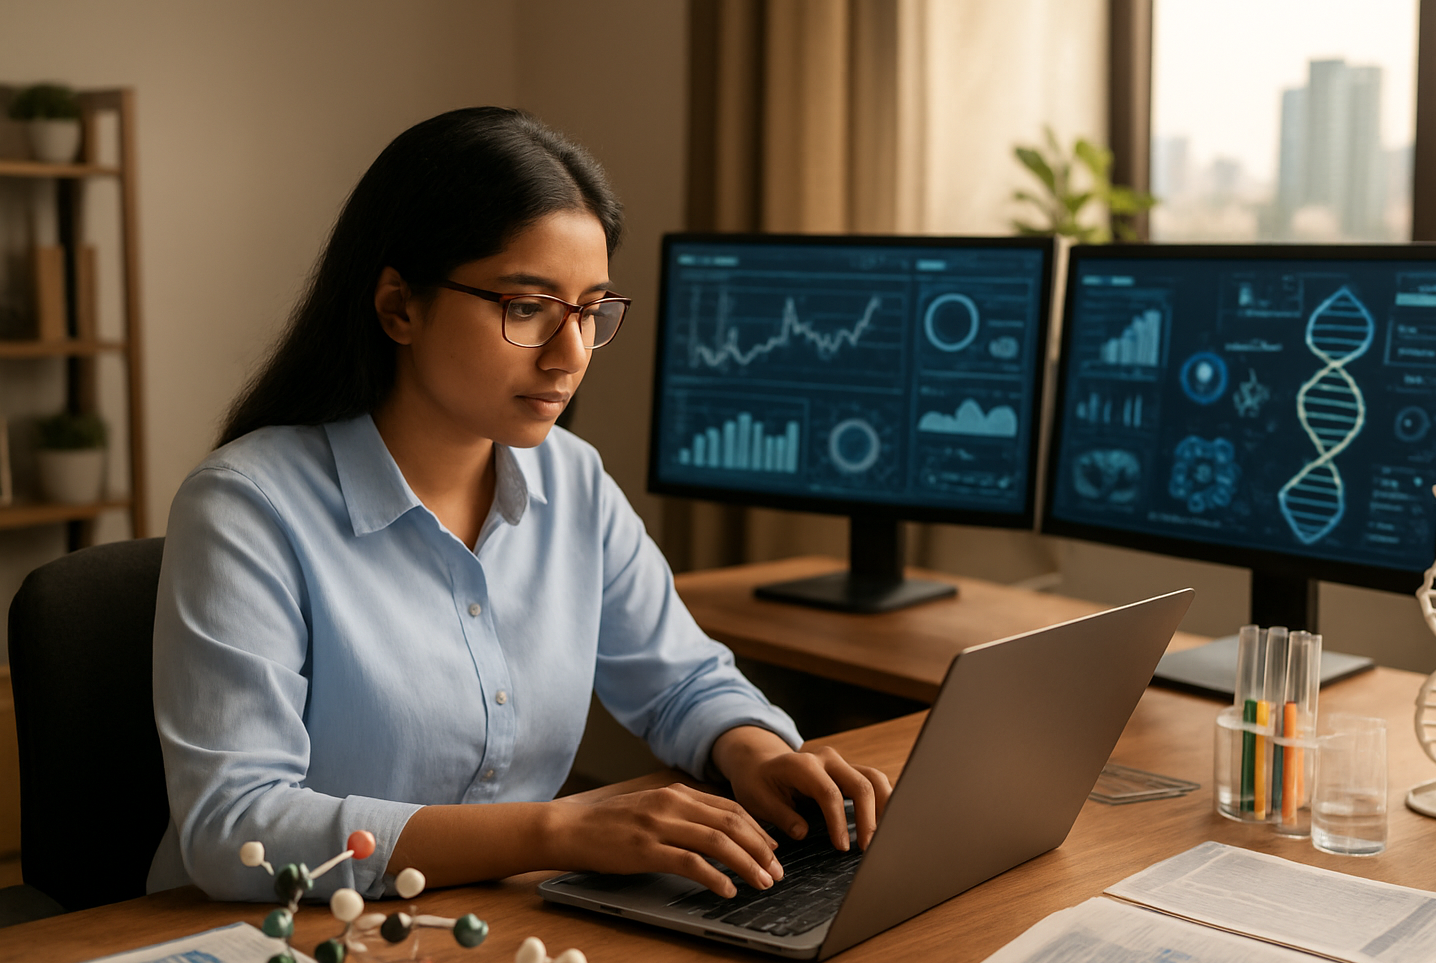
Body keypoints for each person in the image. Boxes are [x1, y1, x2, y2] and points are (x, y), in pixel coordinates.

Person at [148, 107, 890, 903]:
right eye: (527, 307)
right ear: (399, 305)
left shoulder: (573, 481)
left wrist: (758, 751)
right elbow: (238, 827)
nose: (570, 356)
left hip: (498, 927)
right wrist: (558, 830)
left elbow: (682, 683)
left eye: (590, 310)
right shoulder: (246, 509)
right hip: (281, 941)